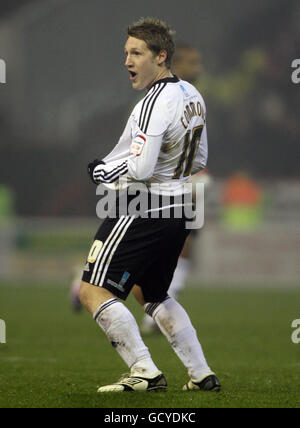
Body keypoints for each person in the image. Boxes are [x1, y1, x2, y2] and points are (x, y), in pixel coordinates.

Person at [78, 17, 220, 393]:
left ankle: (145, 370)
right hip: (179, 208)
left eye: (137, 53)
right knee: (151, 293)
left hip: (145, 206)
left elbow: (139, 168)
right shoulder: (192, 94)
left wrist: (103, 172)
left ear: (161, 57)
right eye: (126, 52)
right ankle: (202, 373)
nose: (128, 60)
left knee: (92, 291)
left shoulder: (153, 103)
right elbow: (200, 158)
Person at [139, 42, 211, 334]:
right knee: (135, 256)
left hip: (181, 185)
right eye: (192, 61)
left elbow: (194, 145)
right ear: (175, 64)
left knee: (184, 244)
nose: (198, 68)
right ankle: (82, 281)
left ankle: (157, 313)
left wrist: (196, 172)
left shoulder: (194, 96)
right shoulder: (163, 97)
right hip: (155, 186)